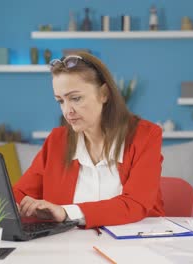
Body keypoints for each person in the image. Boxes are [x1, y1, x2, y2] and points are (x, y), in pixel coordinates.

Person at [13, 52, 165, 229]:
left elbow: (135, 204)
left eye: (75, 98)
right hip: (71, 249)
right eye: (60, 101)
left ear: (104, 94)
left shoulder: (146, 136)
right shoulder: (57, 140)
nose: (67, 110)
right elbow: (20, 194)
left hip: (136, 246)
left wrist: (66, 212)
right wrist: (12, 206)